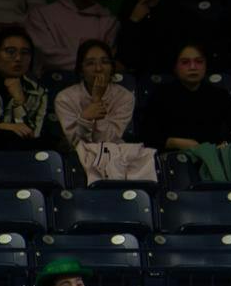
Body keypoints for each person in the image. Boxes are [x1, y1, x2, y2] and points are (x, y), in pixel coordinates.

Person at [135, 42, 231, 181]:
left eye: (199, 61)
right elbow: (147, 137)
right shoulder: (161, 96)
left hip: (213, 159)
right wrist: (174, 142)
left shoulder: (219, 96)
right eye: (185, 62)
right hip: (173, 163)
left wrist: (225, 145)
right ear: (175, 66)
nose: (193, 67)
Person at [53, 39, 155, 185]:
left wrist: (96, 101)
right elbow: (75, 143)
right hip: (76, 158)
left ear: (112, 67)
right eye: (90, 63)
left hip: (113, 156)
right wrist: (85, 119)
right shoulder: (65, 98)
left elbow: (107, 139)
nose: (99, 68)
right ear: (81, 70)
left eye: (105, 62)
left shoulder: (124, 97)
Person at [24, 0, 120, 73]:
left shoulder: (109, 21)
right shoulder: (41, 15)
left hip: (94, 87)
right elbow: (48, 56)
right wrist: (90, 65)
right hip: (50, 85)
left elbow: (106, 61)